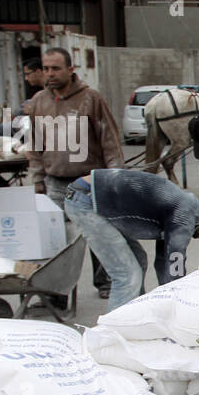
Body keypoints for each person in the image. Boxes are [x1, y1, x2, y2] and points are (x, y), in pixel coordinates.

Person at [25, 46, 124, 298]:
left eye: (56, 68)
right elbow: (34, 145)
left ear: (70, 70)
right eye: (46, 69)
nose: (50, 74)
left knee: (97, 234)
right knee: (55, 239)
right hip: (54, 182)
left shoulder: (91, 98)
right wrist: (37, 180)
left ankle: (106, 283)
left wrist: (114, 178)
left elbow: (109, 141)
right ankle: (56, 292)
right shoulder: (39, 102)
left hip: (89, 180)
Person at [63, 168, 199, 311]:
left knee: (139, 260)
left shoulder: (182, 211)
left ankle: (136, 316)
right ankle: (112, 336)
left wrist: (167, 297)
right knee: (127, 275)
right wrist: (179, 305)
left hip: (92, 196)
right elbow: (175, 265)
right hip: (87, 201)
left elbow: (163, 260)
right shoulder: (185, 214)